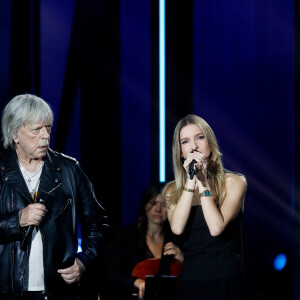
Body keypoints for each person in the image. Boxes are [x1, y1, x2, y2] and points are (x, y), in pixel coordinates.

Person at [0, 94, 109, 300]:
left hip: (57, 290)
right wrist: (17, 220)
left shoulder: (68, 169)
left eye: (48, 127)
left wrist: (83, 261)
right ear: (15, 133)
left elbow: (99, 223)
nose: (45, 136)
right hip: (8, 290)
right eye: (36, 129)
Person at [163, 114, 251, 300]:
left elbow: (216, 227)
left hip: (227, 279)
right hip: (191, 281)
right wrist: (191, 180)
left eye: (200, 137)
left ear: (210, 142)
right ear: (180, 152)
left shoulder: (234, 182)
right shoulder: (171, 190)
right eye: (185, 141)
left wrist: (203, 183)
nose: (194, 146)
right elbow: (177, 228)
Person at [103, 182, 183, 300]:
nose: (158, 209)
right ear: (145, 205)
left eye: (164, 205)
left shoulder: (176, 239)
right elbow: (109, 273)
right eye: (153, 203)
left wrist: (182, 258)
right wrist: (135, 281)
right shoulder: (126, 236)